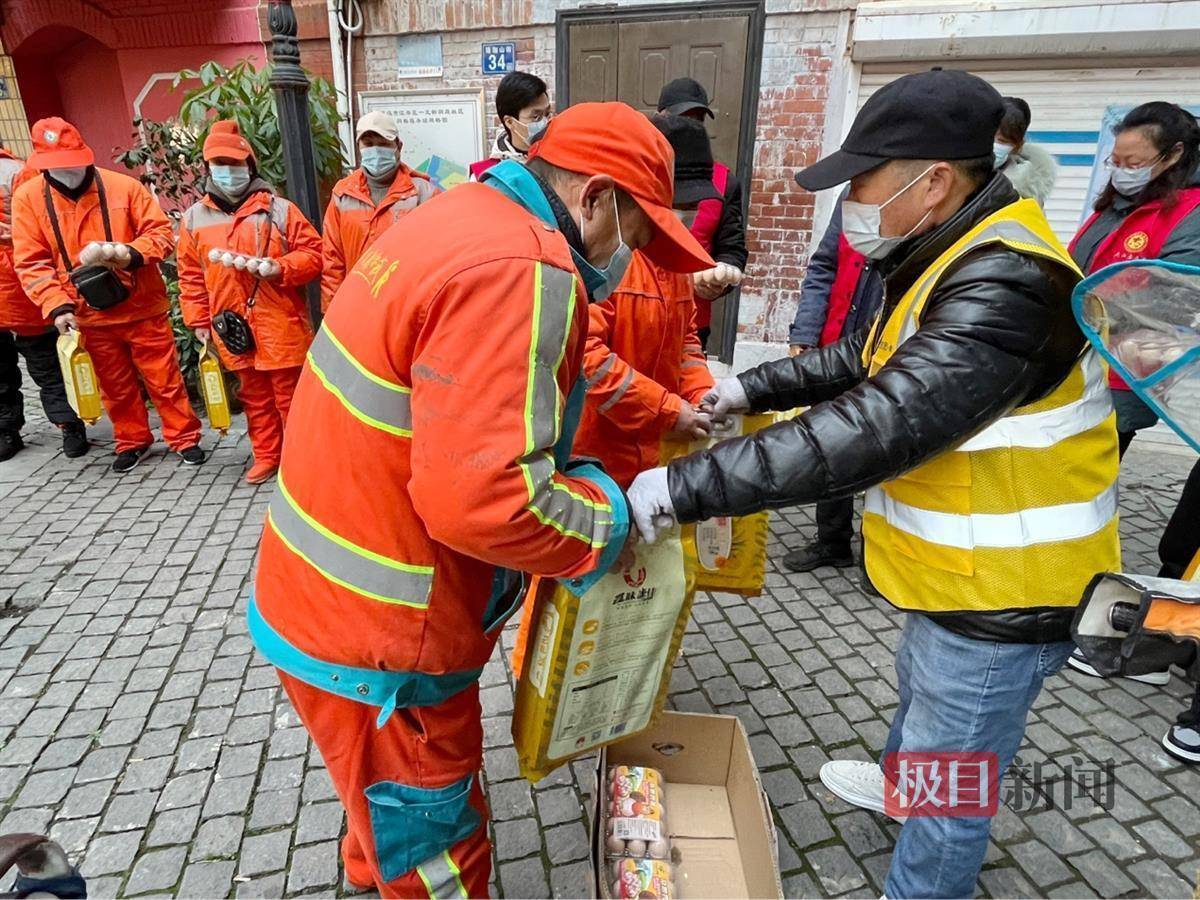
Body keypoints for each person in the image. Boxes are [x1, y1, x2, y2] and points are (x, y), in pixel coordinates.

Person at [626, 68, 1119, 899]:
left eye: (862, 182)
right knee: (924, 698)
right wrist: (755, 386)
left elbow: (874, 426)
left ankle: (922, 878)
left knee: (954, 784)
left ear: (933, 181)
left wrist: (683, 488)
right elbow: (868, 359)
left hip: (1010, 591)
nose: (850, 200)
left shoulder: (1011, 279)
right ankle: (901, 788)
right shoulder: (951, 247)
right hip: (956, 576)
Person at [251, 102, 712, 897]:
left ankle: (371, 864)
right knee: (437, 840)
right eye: (632, 239)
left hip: (322, 591)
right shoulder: (523, 266)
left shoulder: (462, 213)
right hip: (387, 637)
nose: (627, 265)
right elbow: (491, 500)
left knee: (382, 806)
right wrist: (614, 518)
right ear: (595, 198)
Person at [12, 117, 203, 473]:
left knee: (165, 379)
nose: (67, 170)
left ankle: (184, 437)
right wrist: (57, 306)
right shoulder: (29, 198)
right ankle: (131, 440)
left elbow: (161, 234)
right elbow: (31, 262)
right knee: (114, 386)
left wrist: (126, 253)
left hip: (142, 304)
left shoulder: (123, 187)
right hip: (87, 312)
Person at [572, 113, 716, 487]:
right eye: (677, 205)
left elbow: (685, 341)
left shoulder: (678, 261)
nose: (685, 215)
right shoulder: (605, 256)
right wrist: (668, 410)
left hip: (654, 452)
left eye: (694, 205)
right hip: (595, 460)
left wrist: (704, 394)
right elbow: (584, 356)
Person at [177, 120, 322, 484]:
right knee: (254, 398)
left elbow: (314, 254)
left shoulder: (280, 210)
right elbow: (191, 275)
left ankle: (299, 462)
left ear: (250, 166)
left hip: (279, 320)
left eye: (235, 164)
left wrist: (280, 268)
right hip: (230, 324)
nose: (228, 172)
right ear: (208, 168)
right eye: (219, 164)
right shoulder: (194, 218)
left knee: (290, 398)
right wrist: (198, 321)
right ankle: (267, 455)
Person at [1069, 101, 1200, 457]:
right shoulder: (1116, 205)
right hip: (1074, 360)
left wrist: (1089, 312)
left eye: (1135, 164)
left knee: (1089, 467)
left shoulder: (1191, 212)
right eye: (1117, 162)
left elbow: (1174, 299)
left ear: (1173, 155)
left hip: (1124, 370)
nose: (1122, 172)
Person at [784, 194, 883, 572]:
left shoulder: (921, 198)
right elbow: (824, 265)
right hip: (834, 345)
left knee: (884, 449)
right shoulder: (853, 195)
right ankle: (832, 541)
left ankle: (879, 556)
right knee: (830, 446)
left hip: (886, 352)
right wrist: (805, 331)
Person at [0, 144, 87, 461]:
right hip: (17, 286)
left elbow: (36, 229)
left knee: (47, 365)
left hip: (21, 288)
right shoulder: (16, 171)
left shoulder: (17, 172)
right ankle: (7, 429)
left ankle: (69, 423)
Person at [657, 77, 748, 349]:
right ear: (660, 119)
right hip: (635, 316)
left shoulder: (722, 182)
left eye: (697, 120)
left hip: (693, 320)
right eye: (682, 118)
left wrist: (722, 279)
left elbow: (732, 247)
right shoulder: (641, 172)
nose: (689, 126)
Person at [321, 111, 439, 312]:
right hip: (357, 305)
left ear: (398, 147)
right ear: (359, 147)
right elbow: (333, 259)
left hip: (405, 306)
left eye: (383, 143)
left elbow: (436, 258)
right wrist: (333, 311)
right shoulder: (343, 194)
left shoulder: (424, 193)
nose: (375, 150)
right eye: (368, 143)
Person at [468, 71, 552, 181]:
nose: (545, 122)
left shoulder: (561, 163)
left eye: (547, 114)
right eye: (536, 117)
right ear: (510, 122)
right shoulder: (485, 177)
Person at [993, 96, 1057, 206]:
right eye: (988, 136)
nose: (993, 145)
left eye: (1002, 141)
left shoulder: (1024, 193)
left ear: (1018, 146)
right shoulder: (962, 169)